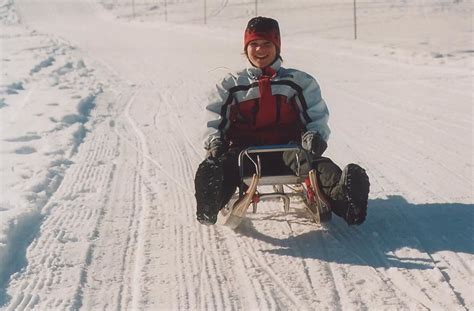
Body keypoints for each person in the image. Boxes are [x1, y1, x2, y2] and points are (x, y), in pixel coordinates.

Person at [194, 16, 370, 226]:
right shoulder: (231, 85)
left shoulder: (298, 82)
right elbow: (215, 116)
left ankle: (347, 201)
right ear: (246, 48)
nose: (260, 49)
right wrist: (215, 141)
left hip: (288, 150)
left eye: (267, 44)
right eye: (254, 44)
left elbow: (315, 113)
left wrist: (315, 135)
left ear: (277, 46)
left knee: (317, 166)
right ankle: (211, 201)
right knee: (227, 168)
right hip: (246, 153)